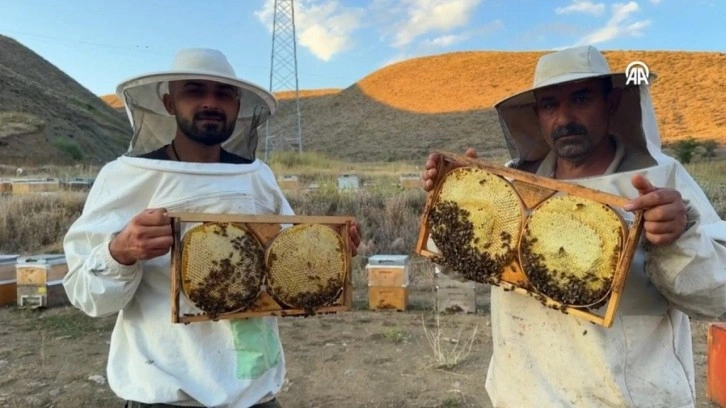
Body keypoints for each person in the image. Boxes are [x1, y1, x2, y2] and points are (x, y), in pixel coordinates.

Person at [422, 45, 726, 407]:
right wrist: (457, 203)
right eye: (550, 105)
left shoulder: (663, 180)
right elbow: (464, 264)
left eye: (580, 99)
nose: (564, 118)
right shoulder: (513, 184)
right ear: (537, 114)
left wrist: (680, 238)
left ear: (611, 103)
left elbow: (717, 298)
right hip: (523, 394)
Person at [62, 48, 361, 408]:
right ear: (169, 103)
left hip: (255, 393)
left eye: (223, 94)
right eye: (194, 90)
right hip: (164, 395)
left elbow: (285, 269)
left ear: (237, 106)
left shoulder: (257, 176)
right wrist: (119, 252)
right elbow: (86, 295)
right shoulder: (123, 177)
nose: (210, 103)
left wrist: (329, 253)